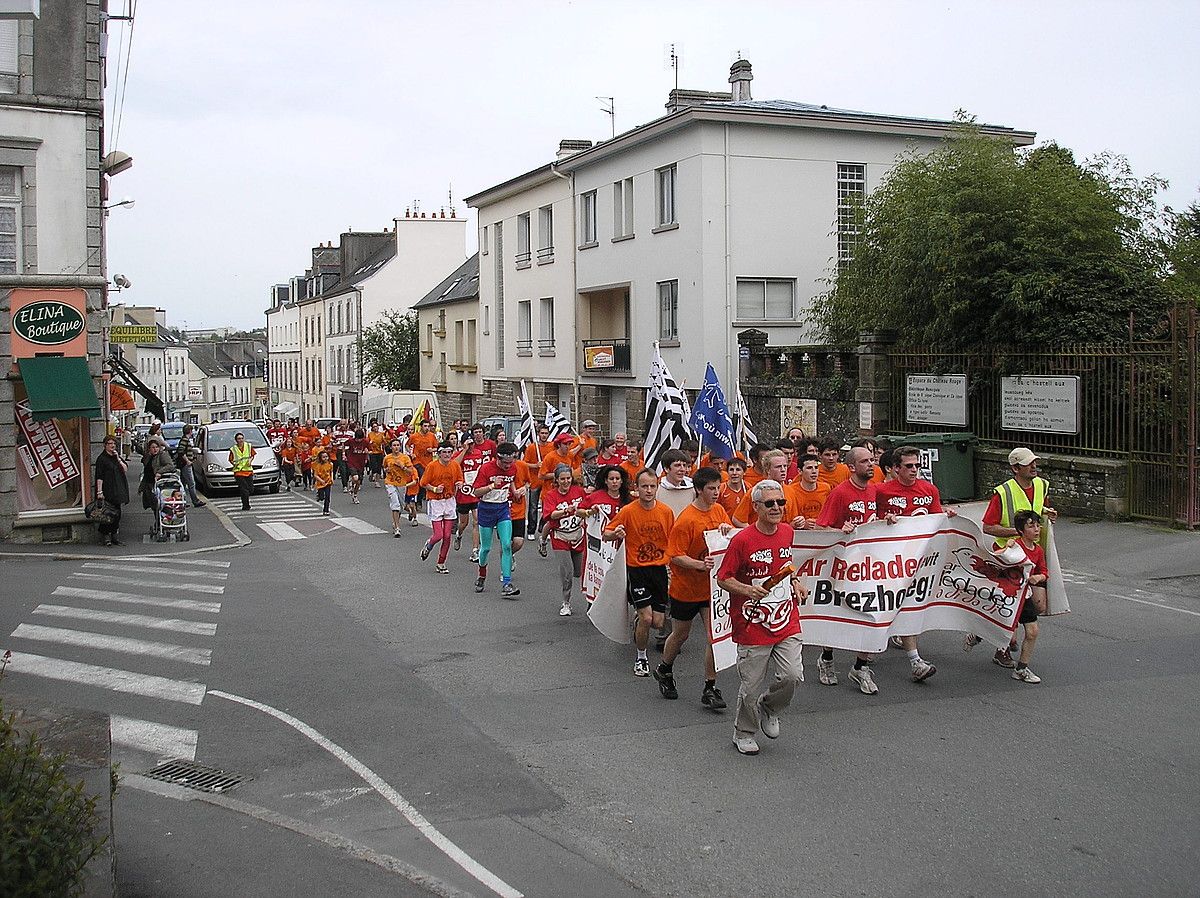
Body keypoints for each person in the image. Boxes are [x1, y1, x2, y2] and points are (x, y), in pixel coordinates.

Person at [716, 479, 808, 756]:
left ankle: (771, 707)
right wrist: (747, 590)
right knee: (751, 686)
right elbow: (723, 578)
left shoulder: (787, 532)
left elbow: (785, 567)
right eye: (770, 503)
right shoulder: (742, 540)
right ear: (756, 507)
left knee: (792, 675)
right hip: (752, 623)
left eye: (781, 502)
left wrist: (797, 582)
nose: (777, 508)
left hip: (785, 618)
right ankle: (743, 732)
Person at [813, 445, 893, 694]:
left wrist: (887, 521)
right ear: (851, 467)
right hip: (842, 565)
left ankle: (860, 667)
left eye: (872, 460)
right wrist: (839, 531)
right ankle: (826, 658)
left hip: (869, 566)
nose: (872, 465)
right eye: (866, 461)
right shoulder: (840, 493)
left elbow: (876, 519)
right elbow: (819, 528)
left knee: (873, 614)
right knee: (838, 614)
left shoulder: (874, 490)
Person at [876, 445, 958, 681]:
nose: (914, 470)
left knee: (912, 603)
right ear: (895, 469)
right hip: (888, 560)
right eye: (909, 466)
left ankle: (915, 660)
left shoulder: (929, 490)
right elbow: (869, 522)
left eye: (917, 466)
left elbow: (935, 520)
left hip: (919, 560)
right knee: (886, 606)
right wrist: (885, 521)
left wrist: (945, 516)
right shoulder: (881, 491)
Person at [656, 467, 734, 709]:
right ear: (699, 490)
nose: (716, 493)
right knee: (681, 634)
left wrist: (727, 531)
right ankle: (665, 668)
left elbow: (730, 538)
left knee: (714, 637)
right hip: (685, 588)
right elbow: (675, 556)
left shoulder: (720, 510)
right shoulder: (687, 520)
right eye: (711, 488)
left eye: (717, 487)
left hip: (711, 589)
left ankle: (710, 688)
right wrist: (700, 564)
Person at [974, 446, 1058, 668]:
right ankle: (1001, 647)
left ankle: (987, 629)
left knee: (1038, 605)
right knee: (1013, 605)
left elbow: (1041, 509)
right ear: (1015, 468)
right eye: (1028, 463)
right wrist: (1017, 533)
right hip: (1010, 558)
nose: (1034, 466)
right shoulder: (1003, 492)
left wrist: (1049, 514)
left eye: (1034, 462)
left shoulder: (1041, 485)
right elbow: (988, 527)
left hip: (1035, 554)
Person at [604, 469, 676, 677]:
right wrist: (615, 533)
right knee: (647, 618)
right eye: (644, 486)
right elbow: (606, 533)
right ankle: (641, 657)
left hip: (659, 570)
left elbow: (673, 539)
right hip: (637, 569)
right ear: (637, 488)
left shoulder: (665, 512)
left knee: (658, 622)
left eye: (652, 486)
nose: (648, 490)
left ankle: (639, 621)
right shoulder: (628, 511)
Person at [471, 442, 525, 598]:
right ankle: (481, 575)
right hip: (486, 510)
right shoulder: (486, 468)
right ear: (498, 459)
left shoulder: (513, 468)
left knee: (507, 545)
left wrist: (516, 492)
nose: (509, 466)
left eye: (511, 462)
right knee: (486, 548)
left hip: (502, 509)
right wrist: (491, 486)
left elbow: (511, 481)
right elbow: (475, 492)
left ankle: (507, 583)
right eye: (505, 463)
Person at [1006, 510, 1048, 684]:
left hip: (1025, 594)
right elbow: (999, 563)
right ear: (1021, 530)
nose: (1037, 530)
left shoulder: (1038, 550)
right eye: (1031, 526)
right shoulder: (1014, 546)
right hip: (1008, 595)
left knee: (1033, 631)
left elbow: (1044, 571)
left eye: (1038, 526)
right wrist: (1007, 547)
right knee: (1000, 627)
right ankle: (976, 635)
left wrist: (1039, 577)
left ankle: (1021, 669)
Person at [543, 464, 588, 616]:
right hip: (560, 536)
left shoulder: (579, 491)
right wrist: (564, 511)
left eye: (568, 478)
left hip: (577, 536)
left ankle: (590, 599)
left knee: (578, 571)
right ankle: (566, 602)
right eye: (562, 479)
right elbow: (549, 516)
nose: (566, 481)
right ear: (556, 480)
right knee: (567, 573)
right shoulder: (551, 495)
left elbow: (587, 504)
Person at [454, 423, 497, 562]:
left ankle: (475, 550)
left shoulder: (478, 453)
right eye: (468, 444)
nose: (471, 446)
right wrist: (464, 451)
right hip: (463, 494)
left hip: (476, 492)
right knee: (464, 523)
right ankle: (459, 535)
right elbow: (454, 465)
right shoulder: (459, 455)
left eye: (472, 443)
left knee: (476, 521)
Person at [419, 442, 463, 573]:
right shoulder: (432, 466)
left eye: (449, 452)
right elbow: (423, 483)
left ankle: (441, 562)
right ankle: (429, 545)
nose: (447, 455)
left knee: (448, 536)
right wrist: (434, 489)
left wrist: (460, 484)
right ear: (439, 453)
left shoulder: (455, 465)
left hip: (449, 501)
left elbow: (459, 479)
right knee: (438, 535)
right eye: (444, 452)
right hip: (436, 501)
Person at [93, 435, 130, 546]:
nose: (112, 446)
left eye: (114, 444)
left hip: (118, 488)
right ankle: (105, 536)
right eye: (110, 444)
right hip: (108, 489)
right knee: (107, 513)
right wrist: (99, 491)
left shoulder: (116, 457)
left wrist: (118, 458)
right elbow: (99, 476)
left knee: (117, 513)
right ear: (105, 446)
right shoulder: (102, 459)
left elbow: (125, 469)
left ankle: (114, 535)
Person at [523, 423, 553, 536]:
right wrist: (535, 465)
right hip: (535, 481)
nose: (544, 435)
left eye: (546, 433)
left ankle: (543, 526)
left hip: (548, 481)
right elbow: (525, 463)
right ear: (538, 434)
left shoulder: (552, 446)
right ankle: (531, 530)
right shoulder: (532, 447)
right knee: (533, 507)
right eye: (542, 433)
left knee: (547, 506)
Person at [383, 438, 417, 537]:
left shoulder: (405, 458)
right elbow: (384, 468)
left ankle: (402, 516)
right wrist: (387, 470)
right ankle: (397, 528)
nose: (396, 447)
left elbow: (411, 471)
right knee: (395, 504)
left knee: (401, 505)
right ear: (391, 447)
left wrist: (402, 467)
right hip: (390, 482)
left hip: (402, 483)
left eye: (398, 445)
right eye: (394, 445)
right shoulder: (387, 458)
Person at [787, 453, 830, 528]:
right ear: (800, 471)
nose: (814, 471)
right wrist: (802, 524)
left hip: (822, 531)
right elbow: (790, 520)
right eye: (809, 468)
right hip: (801, 533)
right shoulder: (791, 490)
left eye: (816, 467)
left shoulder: (826, 488)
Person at [174, 424, 205, 507]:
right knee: (191, 483)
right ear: (190, 431)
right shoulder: (185, 440)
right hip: (185, 465)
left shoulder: (184, 439)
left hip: (184, 464)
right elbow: (181, 451)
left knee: (183, 483)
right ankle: (195, 500)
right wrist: (187, 460)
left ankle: (182, 501)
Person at [228, 431, 254, 511]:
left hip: (248, 470)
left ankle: (246, 504)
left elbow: (252, 455)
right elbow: (230, 459)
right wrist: (235, 464)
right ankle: (246, 505)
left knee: (250, 489)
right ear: (236, 440)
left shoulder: (248, 446)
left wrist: (250, 460)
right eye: (239, 439)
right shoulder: (233, 449)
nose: (241, 440)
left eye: (242, 438)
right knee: (244, 490)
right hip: (239, 472)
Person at [344, 428, 370, 504]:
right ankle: (351, 482)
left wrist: (367, 452)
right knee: (355, 478)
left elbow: (370, 450)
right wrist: (344, 454)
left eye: (360, 439)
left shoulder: (365, 442)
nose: (359, 441)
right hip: (352, 461)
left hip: (361, 463)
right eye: (357, 439)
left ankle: (354, 495)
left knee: (358, 482)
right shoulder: (351, 441)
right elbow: (343, 445)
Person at [367, 421, 388, 487]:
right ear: (372, 428)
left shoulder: (381, 434)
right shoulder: (370, 434)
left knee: (379, 467)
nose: (375, 428)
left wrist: (383, 444)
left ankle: (377, 481)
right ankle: (372, 473)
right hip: (372, 452)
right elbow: (367, 442)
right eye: (374, 427)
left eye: (376, 426)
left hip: (379, 452)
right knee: (374, 466)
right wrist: (370, 445)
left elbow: (385, 443)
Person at [312, 449, 334, 515]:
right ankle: (319, 495)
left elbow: (331, 472)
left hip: (328, 482)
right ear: (321, 458)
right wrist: (321, 480)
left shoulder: (330, 464)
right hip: (321, 483)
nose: (325, 458)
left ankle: (326, 510)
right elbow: (315, 475)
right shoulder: (318, 465)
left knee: (327, 497)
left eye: (326, 457)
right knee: (322, 497)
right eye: (323, 457)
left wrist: (332, 478)